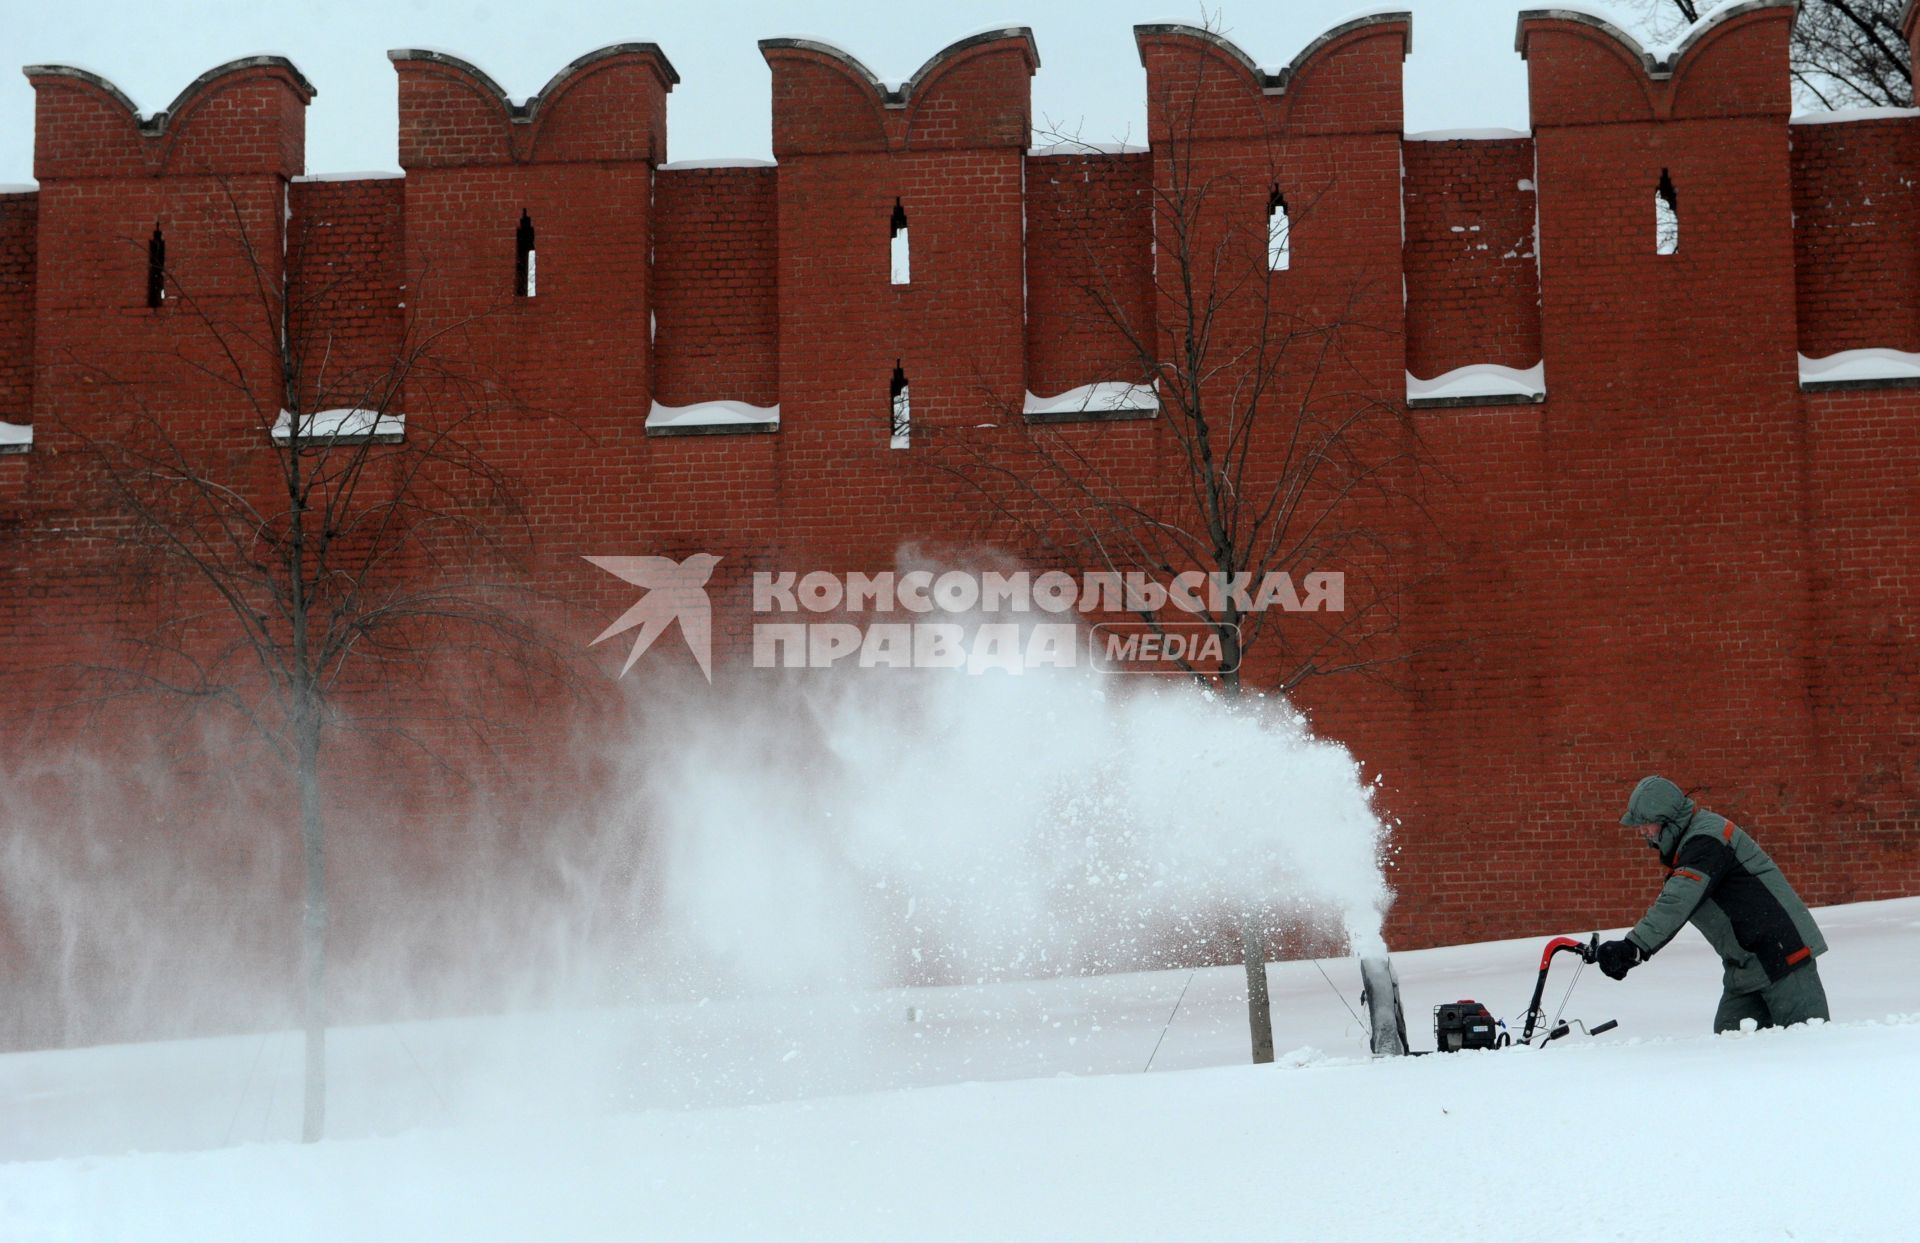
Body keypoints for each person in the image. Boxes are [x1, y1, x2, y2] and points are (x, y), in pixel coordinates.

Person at [1596, 775, 1829, 1033]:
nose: (1643, 832)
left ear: (1668, 819)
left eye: (1647, 824)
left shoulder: (1708, 839)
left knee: (1808, 1049)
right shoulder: (1690, 845)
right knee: (1728, 1052)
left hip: (1784, 958)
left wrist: (1634, 946)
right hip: (1745, 968)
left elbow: (1678, 899)